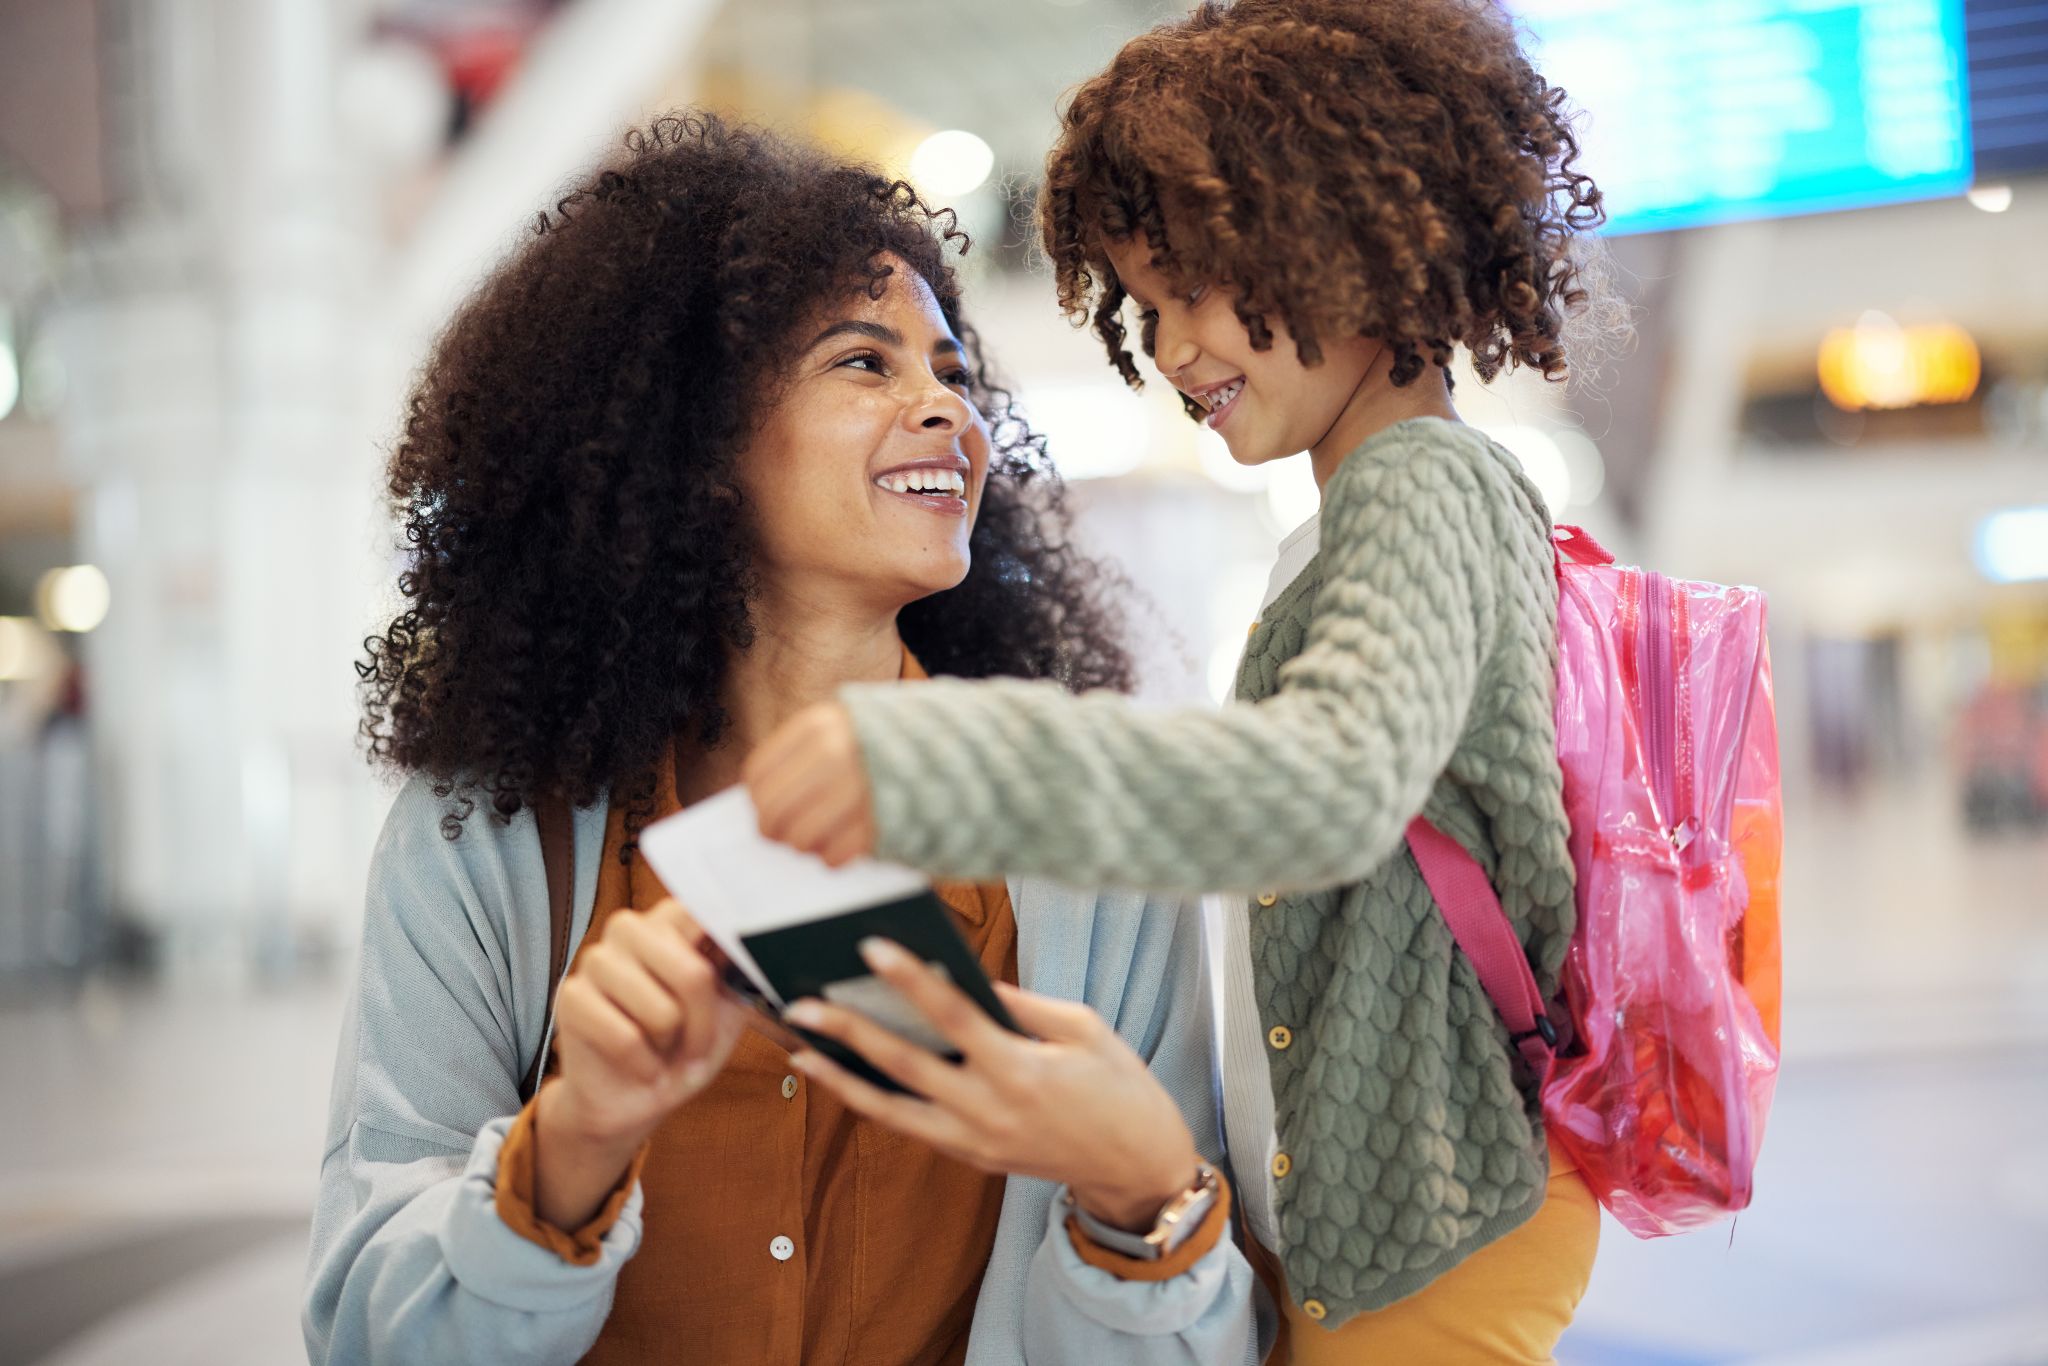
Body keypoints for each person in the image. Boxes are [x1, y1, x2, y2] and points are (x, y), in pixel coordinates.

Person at [305, 113, 1264, 1366]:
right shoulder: (493, 832)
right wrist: (569, 1149)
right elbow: (366, 1335)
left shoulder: (1081, 841)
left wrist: (1146, 1199)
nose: (947, 413)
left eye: (951, 372)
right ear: (696, 443)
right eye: (864, 364)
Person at [745, 3, 1628, 1360]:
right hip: (1380, 1228)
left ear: (1340, 232)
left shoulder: (1429, 485)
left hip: (1437, 1243)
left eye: (1195, 288)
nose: (1168, 347)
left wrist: (945, 761)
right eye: (1145, 308)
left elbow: (1330, 784)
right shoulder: (1353, 509)